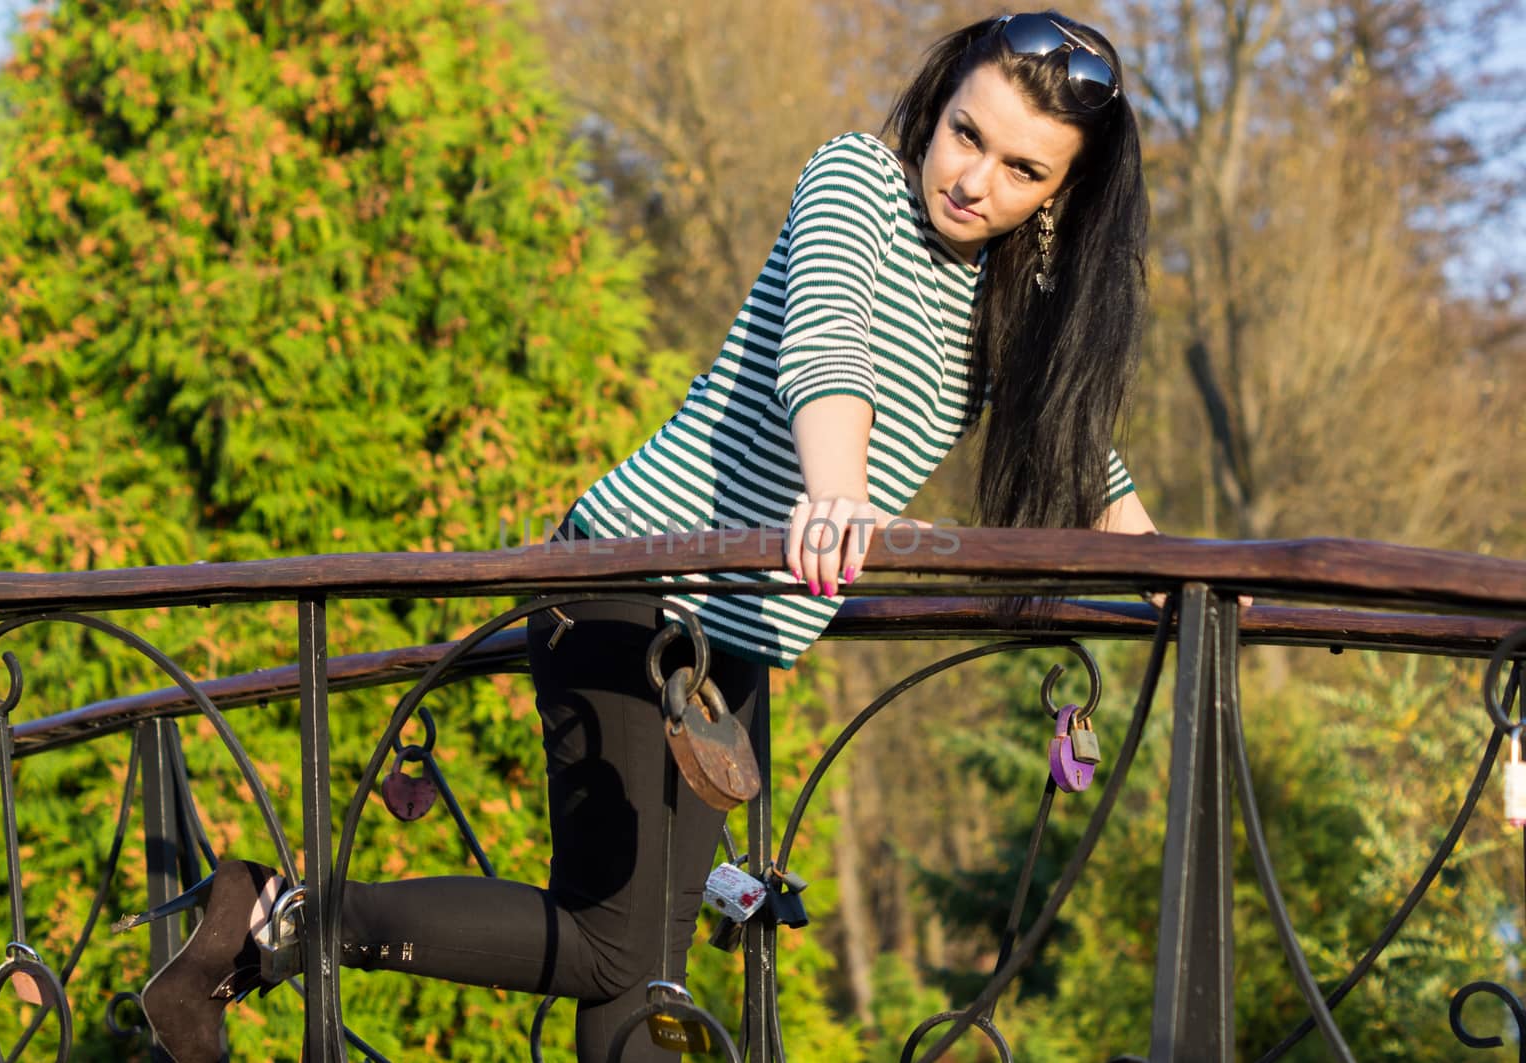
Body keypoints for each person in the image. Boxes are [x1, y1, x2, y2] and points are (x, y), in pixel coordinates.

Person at [124, 10, 1158, 1061]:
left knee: (641, 968)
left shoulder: (1012, 298)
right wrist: (838, 492)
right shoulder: (858, 184)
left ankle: (269, 920)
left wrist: (1176, 577)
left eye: (1021, 169)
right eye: (964, 132)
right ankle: (281, 916)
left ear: (1057, 196)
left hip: (743, 631)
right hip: (629, 580)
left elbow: (1079, 453)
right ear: (936, 105)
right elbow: (827, 339)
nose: (973, 177)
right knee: (618, 951)